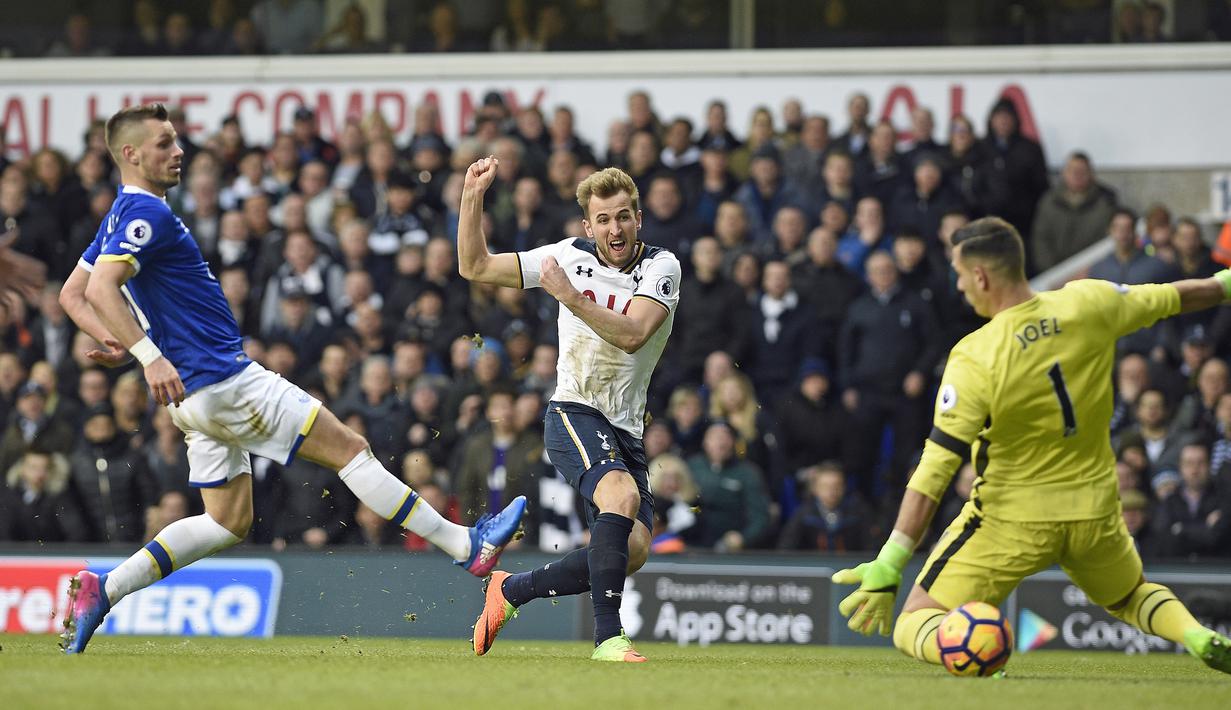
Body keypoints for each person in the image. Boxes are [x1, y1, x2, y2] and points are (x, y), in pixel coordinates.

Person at [55, 104, 526, 655]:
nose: (178, 150)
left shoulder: (121, 214)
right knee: (351, 450)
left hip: (193, 397)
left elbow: (74, 294)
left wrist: (125, 345)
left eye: (177, 139)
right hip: (224, 380)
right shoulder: (146, 216)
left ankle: (102, 590)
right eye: (163, 143)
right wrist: (145, 354)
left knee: (227, 521)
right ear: (130, 154)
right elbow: (104, 289)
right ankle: (466, 546)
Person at [834, 216, 1231, 676]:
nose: (960, 287)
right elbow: (1178, 296)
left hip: (1010, 518)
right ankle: (1194, 633)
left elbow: (936, 469)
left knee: (914, 619)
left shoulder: (976, 355)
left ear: (980, 276)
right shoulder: (1090, 301)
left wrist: (891, 560)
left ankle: (969, 649)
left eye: (961, 276)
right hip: (1095, 511)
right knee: (1131, 595)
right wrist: (1224, 284)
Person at [459, 159, 681, 662]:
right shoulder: (565, 255)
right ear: (588, 226)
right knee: (620, 497)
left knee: (636, 550)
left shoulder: (661, 267)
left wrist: (568, 295)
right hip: (573, 410)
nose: (614, 228)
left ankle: (511, 591)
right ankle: (608, 640)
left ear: (638, 219)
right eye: (603, 219)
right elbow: (474, 266)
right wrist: (472, 198)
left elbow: (632, 335)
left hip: (625, 427)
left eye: (623, 216)